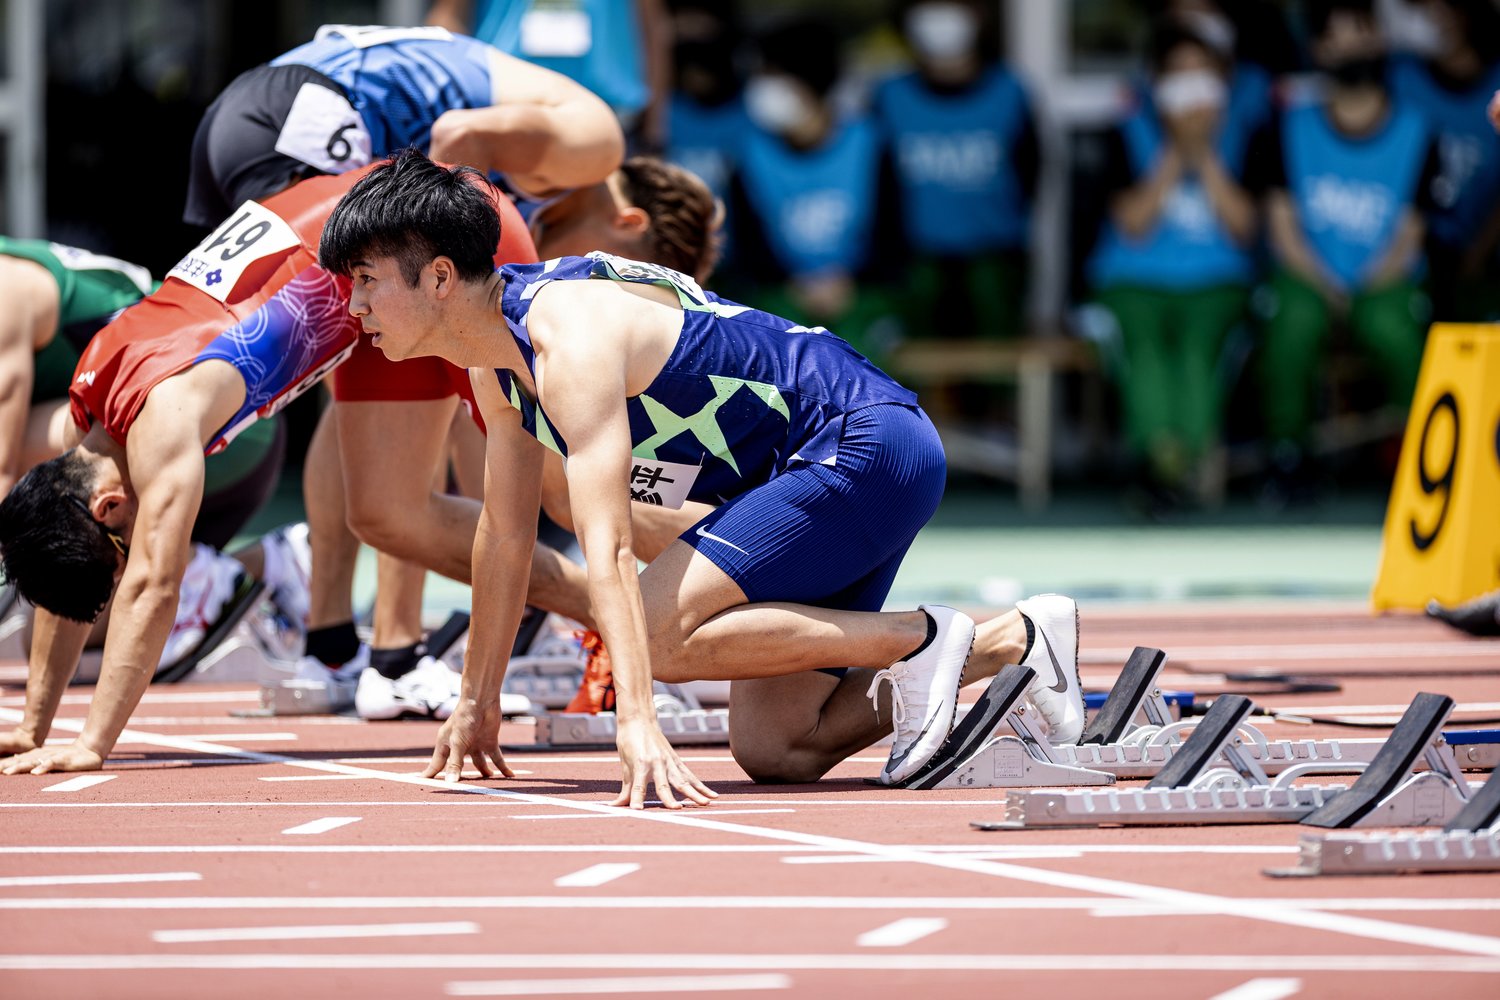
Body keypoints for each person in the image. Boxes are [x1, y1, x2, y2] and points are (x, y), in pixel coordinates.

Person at [317, 149, 1088, 808]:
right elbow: (505, 532)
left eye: (366, 281)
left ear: (441, 276)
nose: (354, 307)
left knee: (647, 639)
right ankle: (1015, 641)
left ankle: (921, 637)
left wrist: (637, 719)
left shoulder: (567, 337)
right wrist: (477, 703)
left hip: (865, 441)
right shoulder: (495, 360)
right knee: (780, 746)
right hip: (814, 468)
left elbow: (609, 545)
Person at [0, 169, 587, 774]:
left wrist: (93, 743)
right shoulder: (91, 397)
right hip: (369, 294)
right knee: (388, 514)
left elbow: (154, 585)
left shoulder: (163, 419)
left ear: (110, 508)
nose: (122, 577)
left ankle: (663, 585)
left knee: (557, 490)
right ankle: (610, 617)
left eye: (115, 558)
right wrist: (32, 727)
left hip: (421, 249)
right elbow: (66, 581)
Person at [184, 24, 626, 712]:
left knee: (372, 440)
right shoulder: (591, 139)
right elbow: (451, 145)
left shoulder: (490, 91)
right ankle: (398, 647)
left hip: (255, 115)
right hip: (310, 133)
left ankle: (338, 644)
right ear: (624, 216)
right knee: (546, 472)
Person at [1252, 0, 1439, 498]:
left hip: (1386, 277)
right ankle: (1288, 457)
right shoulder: (1288, 125)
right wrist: (1329, 286)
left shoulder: (1417, 129)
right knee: (1290, 326)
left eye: (1362, 35)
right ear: (1318, 50)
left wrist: (1365, 286)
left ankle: (1418, 460)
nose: (1352, 50)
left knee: (1397, 334)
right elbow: (1282, 228)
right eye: (1337, 38)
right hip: (1309, 273)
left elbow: (1410, 233)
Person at [1086, 18, 1260, 509]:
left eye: (1200, 71)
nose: (1190, 86)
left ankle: (1176, 465)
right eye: (1177, 73)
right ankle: (1163, 460)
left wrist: (1202, 153)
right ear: (1156, 84)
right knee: (1144, 351)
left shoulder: (1247, 131)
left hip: (1217, 282)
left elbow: (1244, 227)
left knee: (1198, 352)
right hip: (1132, 280)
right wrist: (1173, 150)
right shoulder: (1123, 131)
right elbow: (1134, 222)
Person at [729, 16, 903, 359]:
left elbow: (892, 240)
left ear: (809, 79)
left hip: (862, 295)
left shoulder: (870, 143)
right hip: (782, 295)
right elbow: (749, 250)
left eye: (773, 75)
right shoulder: (748, 153)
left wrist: (851, 283)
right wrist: (795, 286)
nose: (762, 87)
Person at [874, 0, 1039, 344]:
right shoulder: (889, 96)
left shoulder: (1009, 90)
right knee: (913, 375)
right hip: (916, 261)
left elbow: (1032, 172)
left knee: (998, 364)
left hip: (995, 257)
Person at [427, 0, 671, 151]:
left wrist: (655, 126)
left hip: (610, 113)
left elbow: (653, 27)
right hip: (500, 108)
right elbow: (449, 18)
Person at [1387, 0, 1500, 322]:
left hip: (1485, 246)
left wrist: (1477, 255)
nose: (1432, 18)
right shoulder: (1401, 75)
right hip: (1414, 246)